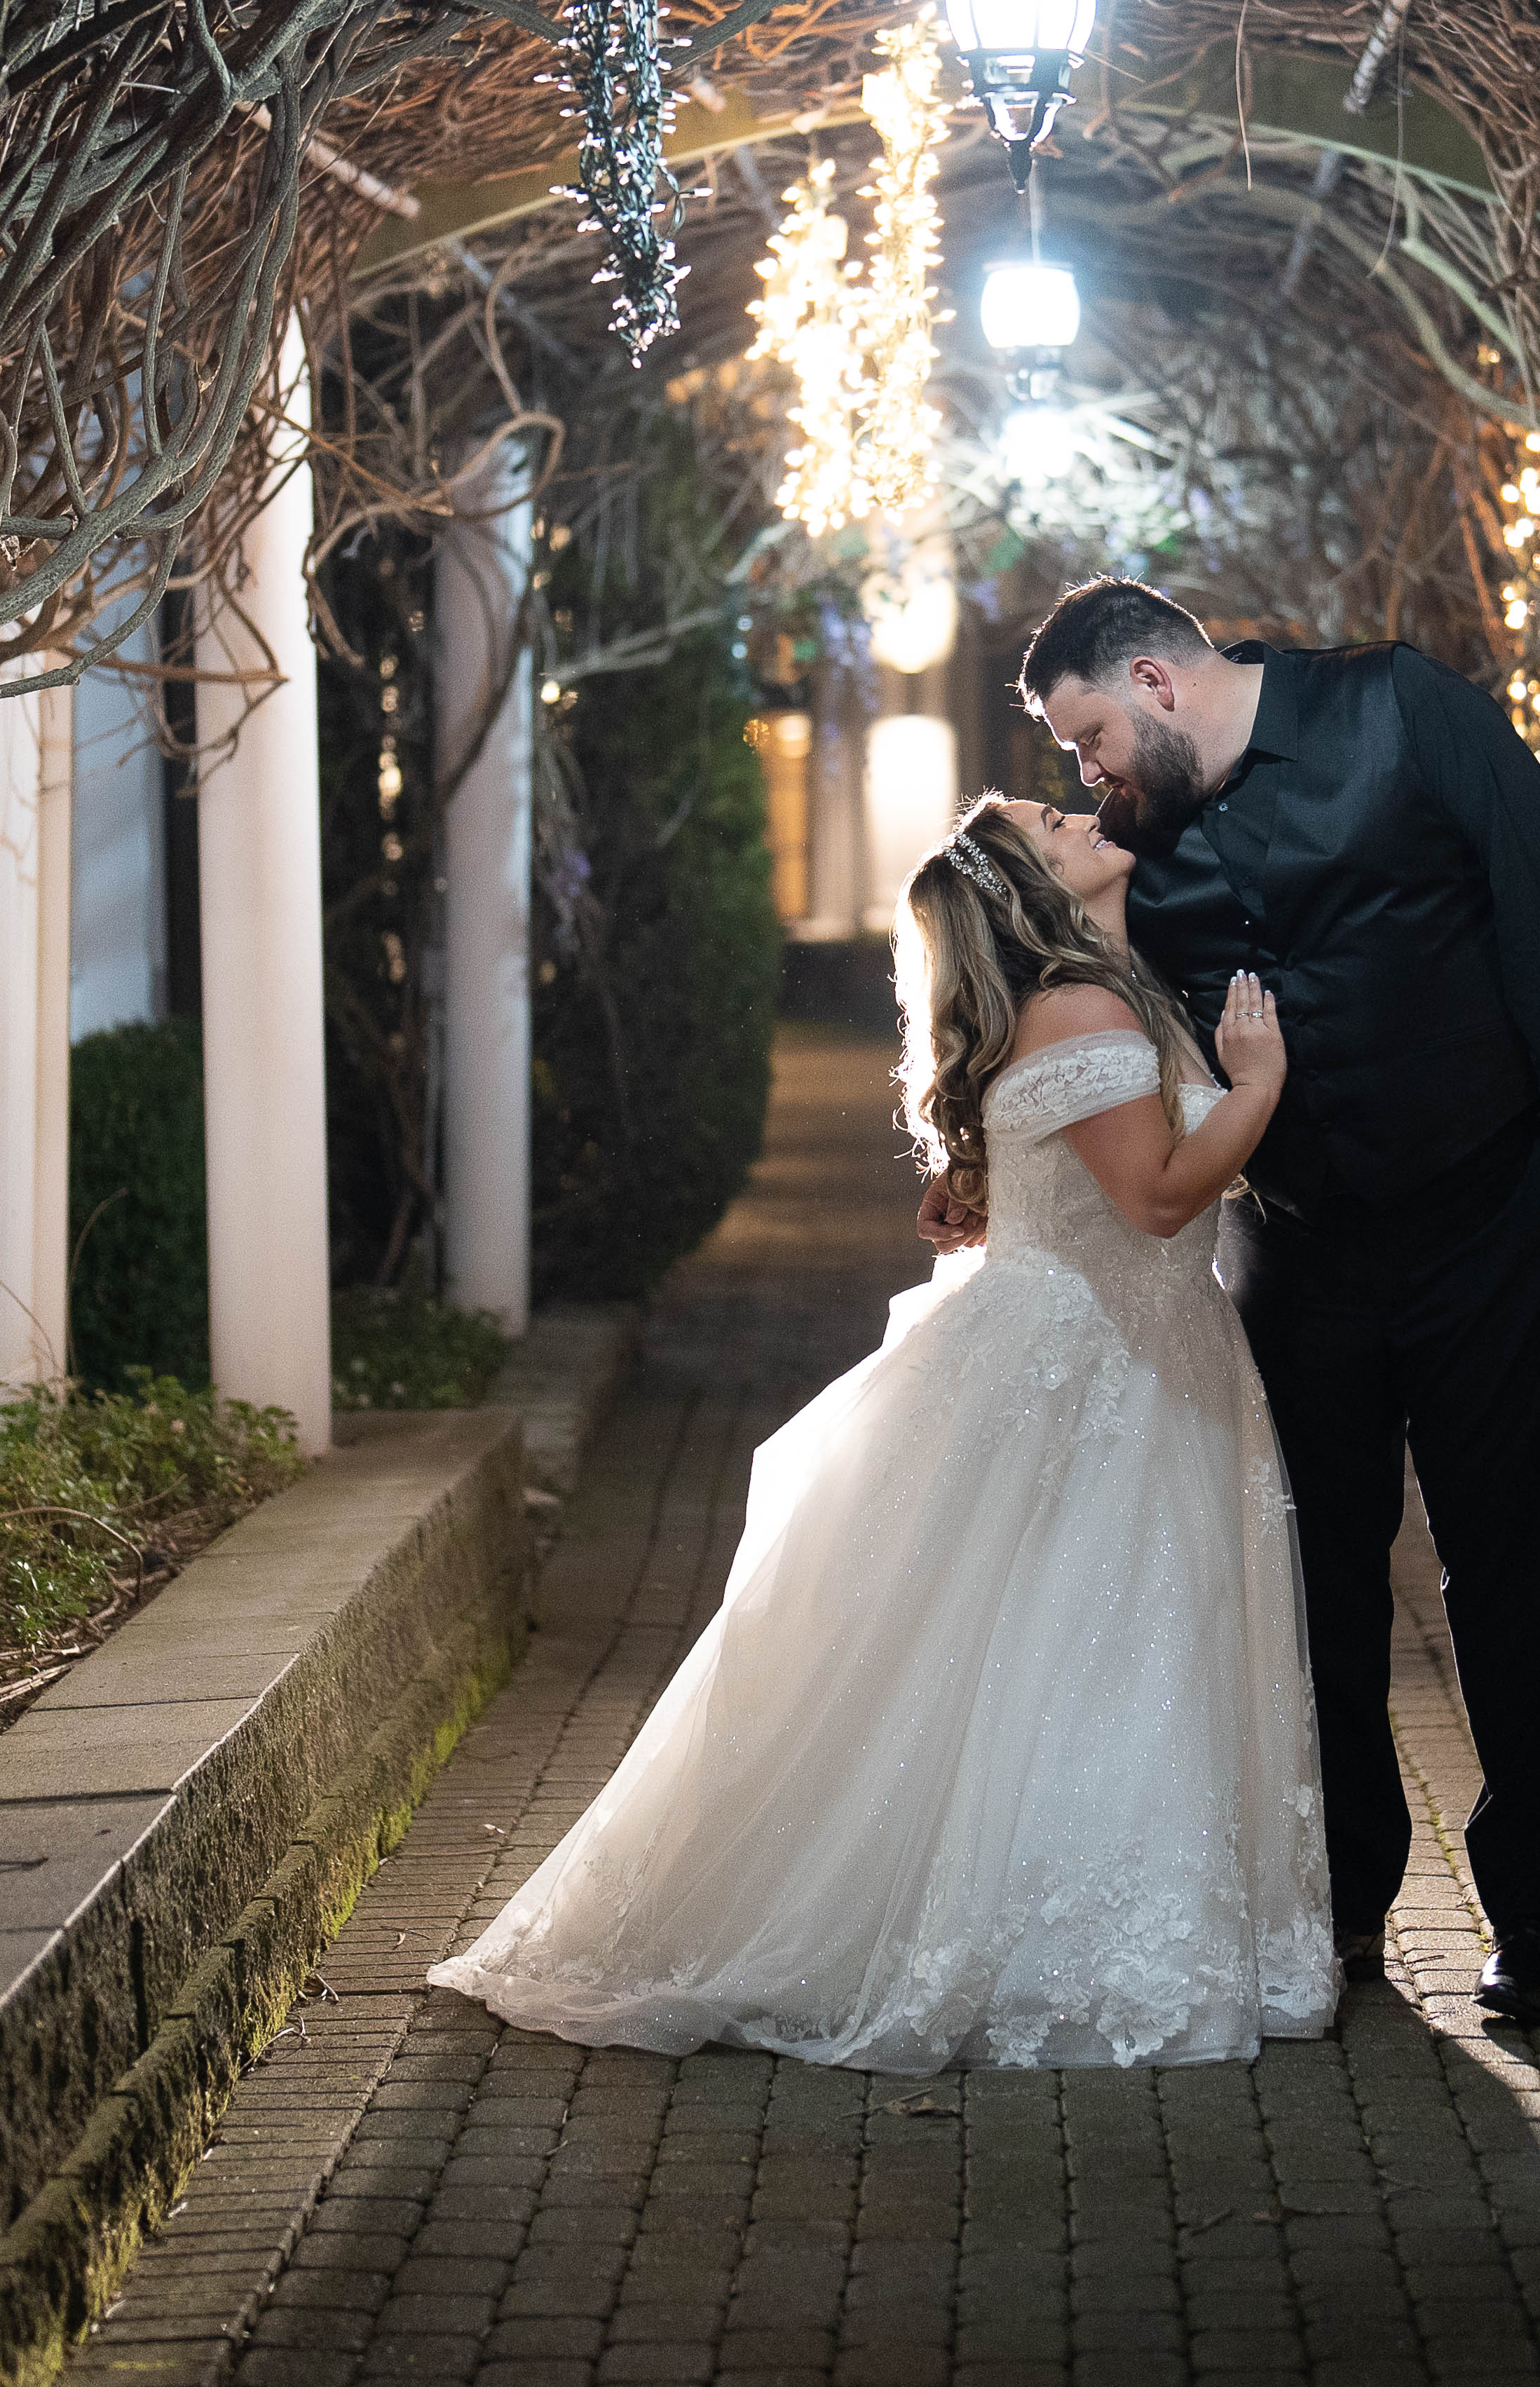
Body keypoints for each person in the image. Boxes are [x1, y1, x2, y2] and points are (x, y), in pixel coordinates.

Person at [429, 797, 1333, 2070]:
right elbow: (1160, 1195)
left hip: (1131, 1350)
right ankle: (1059, 1940)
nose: (1078, 810)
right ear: (1027, 887)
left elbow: (1089, 1179)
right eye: (1050, 821)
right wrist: (1262, 1086)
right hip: (1093, 1368)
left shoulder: (1109, 993)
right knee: (1087, 1630)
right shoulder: (1084, 1009)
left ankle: (1106, 1921)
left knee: (1084, 1637)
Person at [961, 579, 1540, 2027]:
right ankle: (1340, 1904)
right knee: (1312, 1575)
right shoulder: (1132, 838)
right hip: (1298, 1243)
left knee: (1507, 1561)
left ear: (1156, 680)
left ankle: (1533, 1912)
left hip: (1493, 1216)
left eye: (1089, 737)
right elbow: (1038, 972)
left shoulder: (1400, 707)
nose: (1090, 773)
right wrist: (977, 1147)